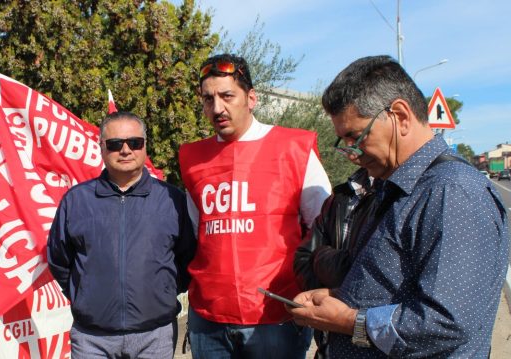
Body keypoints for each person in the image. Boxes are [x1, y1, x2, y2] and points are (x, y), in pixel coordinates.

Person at [288, 55, 509, 357]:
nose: (351, 155)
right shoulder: (398, 188)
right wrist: (339, 298)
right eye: (343, 142)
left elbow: (447, 322)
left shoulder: (452, 191)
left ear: (401, 116)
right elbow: (395, 287)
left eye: (356, 137)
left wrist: (347, 320)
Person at [178, 54, 331, 358]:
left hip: (276, 316)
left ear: (251, 98)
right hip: (208, 317)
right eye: (208, 99)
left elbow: (324, 228)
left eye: (227, 96)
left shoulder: (293, 148)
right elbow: (199, 231)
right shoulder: (193, 159)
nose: (217, 108)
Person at [47, 111, 196, 358]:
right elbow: (59, 260)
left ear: (145, 146)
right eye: (115, 144)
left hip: (155, 336)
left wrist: (163, 291)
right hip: (92, 339)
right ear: (102, 148)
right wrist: (84, 294)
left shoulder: (172, 200)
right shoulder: (76, 201)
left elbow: (187, 257)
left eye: (134, 142)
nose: (125, 150)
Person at [292, 168, 376, 358]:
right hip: (329, 346)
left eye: (352, 136)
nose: (351, 147)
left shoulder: (405, 194)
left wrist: (326, 261)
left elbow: (373, 273)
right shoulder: (341, 196)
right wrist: (326, 298)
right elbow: (304, 258)